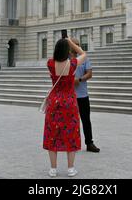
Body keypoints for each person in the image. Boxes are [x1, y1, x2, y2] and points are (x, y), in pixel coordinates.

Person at [43, 37, 87, 178]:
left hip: (54, 101)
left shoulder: (50, 63)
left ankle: (53, 169)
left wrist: (62, 45)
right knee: (71, 134)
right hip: (69, 102)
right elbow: (84, 55)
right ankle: (70, 168)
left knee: (52, 134)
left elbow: (54, 59)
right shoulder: (73, 64)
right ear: (68, 50)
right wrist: (71, 43)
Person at [70, 38, 100, 153]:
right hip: (70, 96)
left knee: (86, 120)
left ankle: (89, 143)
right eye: (75, 45)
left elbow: (90, 73)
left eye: (79, 45)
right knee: (71, 121)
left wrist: (80, 79)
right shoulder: (66, 60)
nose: (78, 47)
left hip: (82, 95)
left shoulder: (84, 58)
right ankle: (72, 143)